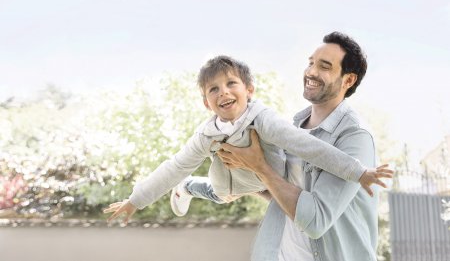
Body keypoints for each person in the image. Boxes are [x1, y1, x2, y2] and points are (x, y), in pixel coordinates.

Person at [103, 55, 391, 229]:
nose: (223, 92)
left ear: (249, 89)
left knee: (293, 204)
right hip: (227, 186)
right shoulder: (206, 135)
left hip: (265, 180)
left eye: (231, 84)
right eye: (213, 89)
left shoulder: (264, 120)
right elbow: (174, 166)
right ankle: (188, 187)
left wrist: (358, 171)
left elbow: (309, 146)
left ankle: (194, 186)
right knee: (212, 190)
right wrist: (135, 200)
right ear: (206, 103)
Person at [217, 32, 382, 260]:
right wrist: (245, 179)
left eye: (324, 66)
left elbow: (314, 219)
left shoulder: (355, 136)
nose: (311, 72)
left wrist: (261, 168)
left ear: (348, 80)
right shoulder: (293, 128)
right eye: (311, 63)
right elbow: (286, 195)